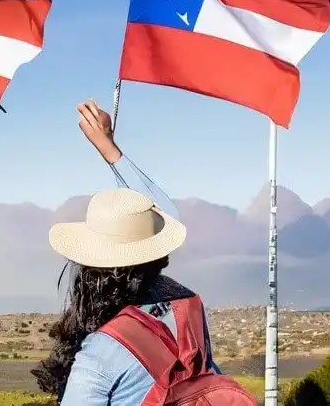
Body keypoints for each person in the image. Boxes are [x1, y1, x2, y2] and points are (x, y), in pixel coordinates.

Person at [33, 99, 235, 406]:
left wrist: (105, 146)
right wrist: (109, 147)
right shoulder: (187, 307)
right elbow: (164, 214)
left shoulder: (101, 353)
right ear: (156, 249)